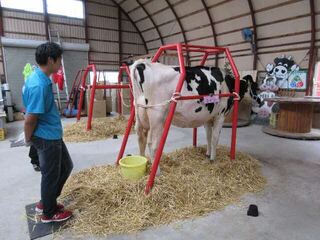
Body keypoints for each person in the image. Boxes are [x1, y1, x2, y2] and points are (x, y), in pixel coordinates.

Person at [23, 42, 73, 223]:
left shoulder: (40, 77)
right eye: (59, 59)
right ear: (51, 60)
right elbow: (30, 118)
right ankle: (49, 213)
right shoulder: (39, 85)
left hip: (51, 134)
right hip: (46, 138)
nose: (60, 63)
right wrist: (28, 140)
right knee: (51, 174)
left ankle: (47, 201)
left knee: (65, 167)